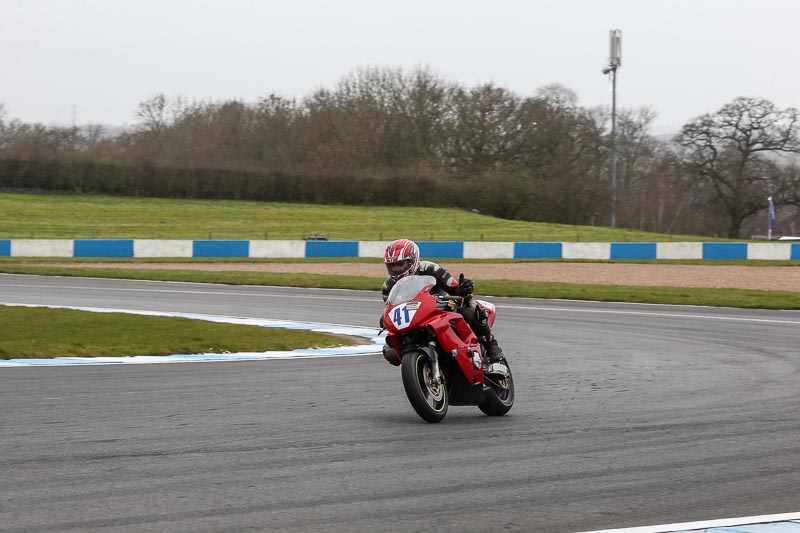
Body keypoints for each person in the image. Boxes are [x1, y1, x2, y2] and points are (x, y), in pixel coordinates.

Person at [381, 238, 505, 364]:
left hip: (440, 305)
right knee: (389, 351)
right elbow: (391, 308)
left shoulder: (431, 269)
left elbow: (454, 288)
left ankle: (490, 343)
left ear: (413, 260)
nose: (396, 269)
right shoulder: (388, 287)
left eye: (400, 264)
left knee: (469, 308)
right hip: (414, 317)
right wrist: (384, 319)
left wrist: (462, 289)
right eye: (392, 266)